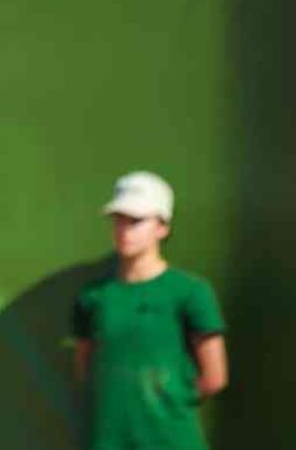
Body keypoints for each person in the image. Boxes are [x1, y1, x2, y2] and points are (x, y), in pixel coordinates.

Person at [72, 171, 228, 450]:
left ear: (162, 227)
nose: (124, 230)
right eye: (119, 219)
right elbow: (86, 367)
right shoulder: (92, 297)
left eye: (136, 221)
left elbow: (214, 377)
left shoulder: (191, 292)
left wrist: (166, 404)